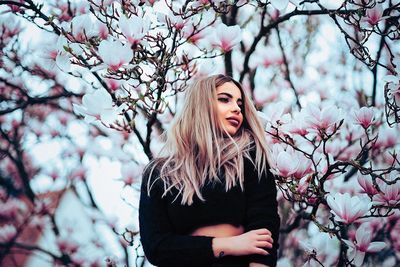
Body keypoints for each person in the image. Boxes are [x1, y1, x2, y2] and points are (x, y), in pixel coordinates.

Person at [139, 74, 280, 267]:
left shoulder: (250, 158)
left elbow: (264, 232)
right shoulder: (159, 174)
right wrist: (229, 245)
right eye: (224, 99)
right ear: (200, 106)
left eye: (239, 103)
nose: (236, 108)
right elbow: (156, 247)